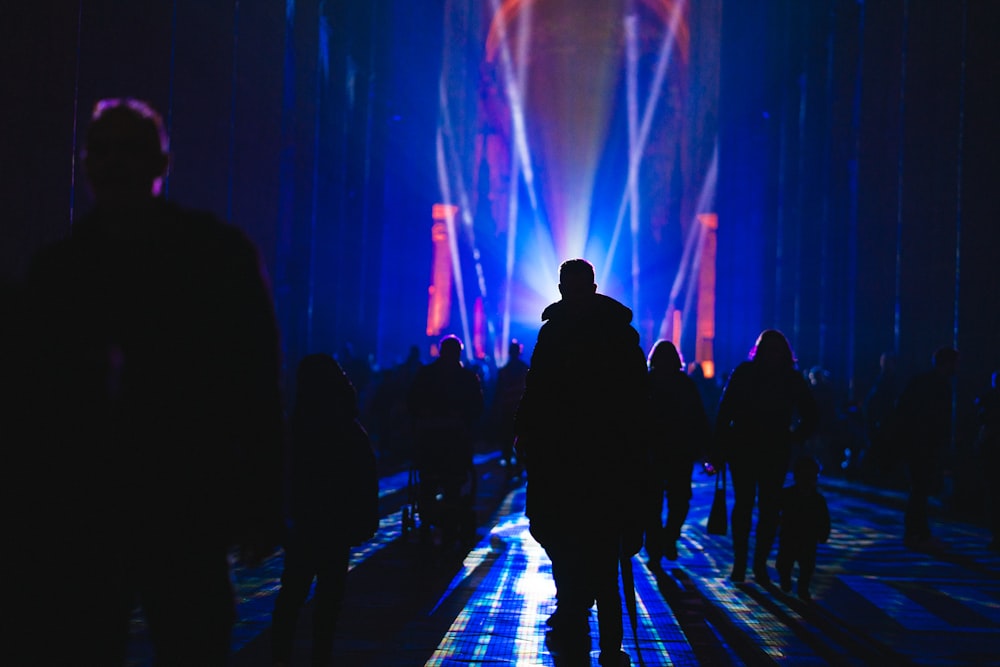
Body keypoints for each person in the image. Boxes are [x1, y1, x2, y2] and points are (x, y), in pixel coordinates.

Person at [12, 98, 284, 665]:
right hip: (167, 498)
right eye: (103, 151)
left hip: (112, 502)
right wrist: (260, 494)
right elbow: (256, 381)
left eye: (125, 152)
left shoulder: (60, 270)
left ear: (158, 164)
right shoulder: (215, 255)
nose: (112, 165)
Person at [514, 258, 648, 667]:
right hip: (601, 461)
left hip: (571, 461)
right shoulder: (619, 335)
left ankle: (582, 622)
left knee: (575, 548)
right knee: (604, 558)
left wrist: (528, 436)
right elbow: (638, 401)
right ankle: (605, 642)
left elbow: (536, 393)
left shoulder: (556, 333)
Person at [270, 354, 379, 667]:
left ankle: (280, 657)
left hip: (305, 521)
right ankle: (321, 657)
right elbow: (365, 473)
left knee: (291, 595)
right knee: (329, 599)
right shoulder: (349, 427)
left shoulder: (297, 426)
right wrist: (366, 517)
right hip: (337, 524)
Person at [713, 329, 819, 584]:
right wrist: (796, 435)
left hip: (745, 446)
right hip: (772, 447)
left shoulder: (745, 373)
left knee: (748, 505)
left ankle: (744, 563)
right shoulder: (789, 378)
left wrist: (720, 445)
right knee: (765, 506)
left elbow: (725, 411)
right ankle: (756, 564)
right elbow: (812, 413)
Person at [407, 334, 484, 546]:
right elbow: (477, 408)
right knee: (453, 484)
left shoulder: (426, 375)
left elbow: (411, 403)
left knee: (428, 482)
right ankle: (450, 524)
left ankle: (427, 521)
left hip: (429, 438)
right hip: (455, 441)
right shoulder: (468, 378)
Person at [644, 340, 711, 565]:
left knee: (653, 504)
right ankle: (668, 538)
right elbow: (699, 418)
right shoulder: (685, 384)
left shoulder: (646, 382)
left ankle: (655, 546)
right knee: (679, 501)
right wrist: (705, 449)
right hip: (679, 451)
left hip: (653, 452)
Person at [894, 346, 958, 550]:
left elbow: (902, 408)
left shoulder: (919, 381)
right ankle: (917, 533)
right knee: (920, 489)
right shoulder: (940, 386)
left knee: (918, 489)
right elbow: (939, 419)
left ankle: (916, 532)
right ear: (947, 364)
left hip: (913, 443)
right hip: (924, 444)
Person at [776, 456, 831, 601]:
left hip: (806, 538)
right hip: (791, 536)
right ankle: (788, 580)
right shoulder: (789, 495)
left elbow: (824, 519)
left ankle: (802, 587)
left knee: (806, 566)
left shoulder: (817, 499)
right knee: (785, 563)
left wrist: (823, 533)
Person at [490, 338, 530, 476]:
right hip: (521, 410)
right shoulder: (525, 369)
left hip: (508, 410)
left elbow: (498, 392)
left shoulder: (504, 371)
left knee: (507, 438)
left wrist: (495, 411)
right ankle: (518, 464)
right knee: (520, 438)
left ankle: (509, 465)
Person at [974, 371, 1000, 551]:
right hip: (991, 450)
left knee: (993, 494)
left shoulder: (987, 399)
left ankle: (996, 535)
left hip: (990, 451)